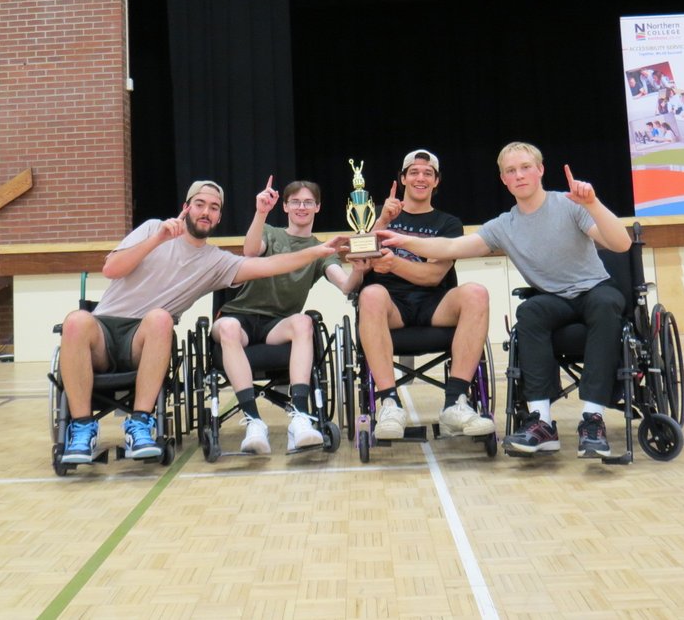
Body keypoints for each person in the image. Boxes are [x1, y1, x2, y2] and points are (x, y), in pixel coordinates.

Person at [58, 180, 347, 463]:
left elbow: (268, 265)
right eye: (199, 205)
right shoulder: (151, 229)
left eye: (213, 207)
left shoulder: (215, 261)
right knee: (76, 321)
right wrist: (158, 238)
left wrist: (316, 252)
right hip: (104, 330)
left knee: (160, 318)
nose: (205, 212)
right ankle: (82, 428)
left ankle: (140, 424)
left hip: (143, 337)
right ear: (186, 208)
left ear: (219, 217)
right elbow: (112, 268)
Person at [376, 142, 631, 457]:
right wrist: (404, 241)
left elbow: (621, 243)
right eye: (511, 171)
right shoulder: (503, 226)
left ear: (540, 170)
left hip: (594, 290)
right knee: (530, 312)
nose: (519, 175)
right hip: (552, 299)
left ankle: (592, 419)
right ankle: (541, 423)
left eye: (525, 167)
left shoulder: (569, 205)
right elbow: (450, 249)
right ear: (504, 180)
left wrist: (592, 203)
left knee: (606, 305)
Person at [214, 177, 366, 454]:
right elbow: (249, 252)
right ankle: (253, 421)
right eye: (295, 202)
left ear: (317, 208)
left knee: (304, 322)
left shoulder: (322, 250)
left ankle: (299, 417)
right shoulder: (271, 233)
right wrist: (261, 211)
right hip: (241, 317)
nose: (302, 207)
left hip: (277, 325)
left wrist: (358, 269)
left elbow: (345, 286)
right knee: (227, 328)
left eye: (308, 202)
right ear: (284, 206)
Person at [353, 149, 495, 440]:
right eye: (414, 172)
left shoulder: (449, 224)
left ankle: (455, 402)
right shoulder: (379, 216)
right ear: (403, 178)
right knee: (370, 295)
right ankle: (390, 404)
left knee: (476, 293)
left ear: (436, 181)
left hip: (434, 304)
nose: (421, 177)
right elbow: (361, 258)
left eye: (427, 173)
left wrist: (394, 263)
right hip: (391, 306)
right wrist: (380, 222)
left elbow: (432, 276)